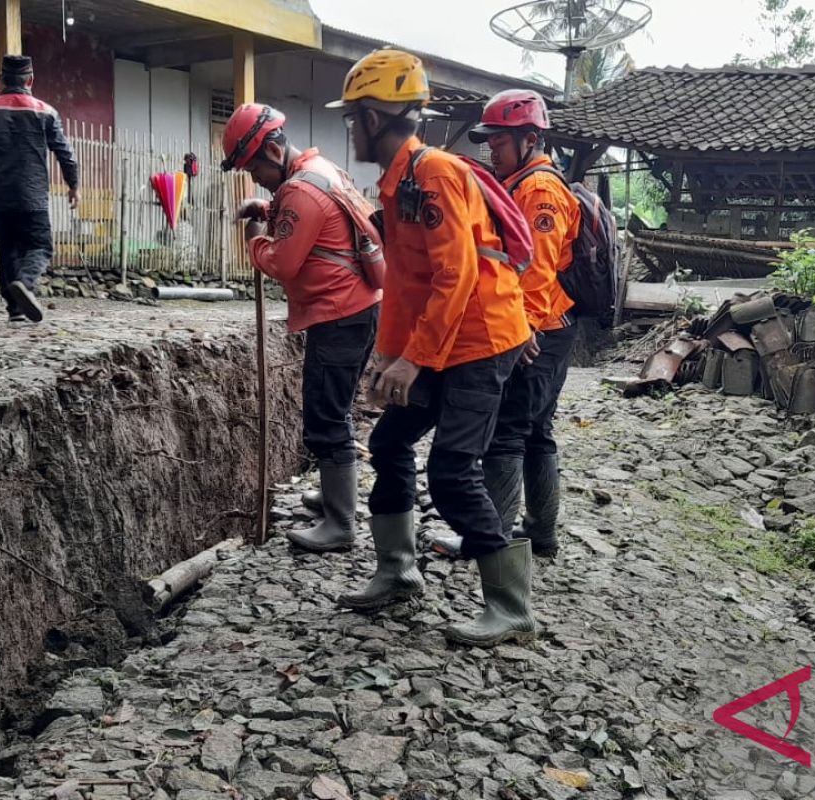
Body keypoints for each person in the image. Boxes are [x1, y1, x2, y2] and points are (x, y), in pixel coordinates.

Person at [327, 49, 536, 648]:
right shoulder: (400, 182)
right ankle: (397, 570)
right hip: (443, 339)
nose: (351, 129)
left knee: (450, 469)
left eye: (353, 118)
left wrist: (413, 359)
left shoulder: (435, 173)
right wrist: (391, 359)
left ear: (372, 118)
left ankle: (510, 604)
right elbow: (407, 286)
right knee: (390, 440)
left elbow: (457, 275)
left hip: (478, 340)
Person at [222, 103, 382, 553]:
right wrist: (271, 210)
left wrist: (257, 238)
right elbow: (315, 224)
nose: (253, 176)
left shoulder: (300, 192)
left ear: (274, 149)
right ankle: (335, 497)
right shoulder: (319, 170)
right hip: (356, 308)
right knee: (334, 409)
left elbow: (285, 262)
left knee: (325, 417)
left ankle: (340, 524)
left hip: (338, 314)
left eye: (254, 165)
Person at [432, 90, 581, 560]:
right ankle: (540, 535)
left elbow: (538, 265)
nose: (490, 150)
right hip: (551, 323)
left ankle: (489, 540)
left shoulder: (539, 189)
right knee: (536, 429)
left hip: (541, 327)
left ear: (530, 138)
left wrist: (526, 327)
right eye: (489, 140)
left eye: (498, 141)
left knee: (510, 431)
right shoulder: (520, 181)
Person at [0, 55, 79, 323]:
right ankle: (25, 283)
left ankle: (14, 310)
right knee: (41, 246)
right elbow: (65, 154)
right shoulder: (45, 111)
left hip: (0, 194)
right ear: (31, 80)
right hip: (33, 194)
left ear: (2, 79)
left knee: (8, 248)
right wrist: (74, 186)